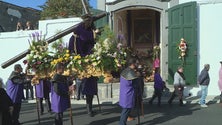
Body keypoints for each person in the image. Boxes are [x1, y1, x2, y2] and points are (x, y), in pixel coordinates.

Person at [68, 14, 98, 117]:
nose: (89, 23)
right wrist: (74, 55)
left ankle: (89, 106)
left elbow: (94, 42)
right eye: (87, 21)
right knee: (85, 84)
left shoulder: (91, 30)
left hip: (91, 59)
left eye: (90, 21)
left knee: (92, 84)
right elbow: (73, 42)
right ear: (85, 21)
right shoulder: (78, 30)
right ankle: (88, 107)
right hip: (81, 59)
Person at [119, 58, 139, 125]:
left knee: (126, 110)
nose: (137, 64)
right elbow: (135, 84)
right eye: (136, 63)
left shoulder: (126, 70)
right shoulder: (130, 72)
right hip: (128, 94)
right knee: (125, 111)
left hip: (124, 93)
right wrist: (138, 76)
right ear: (133, 64)